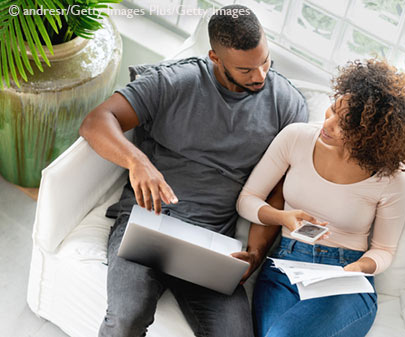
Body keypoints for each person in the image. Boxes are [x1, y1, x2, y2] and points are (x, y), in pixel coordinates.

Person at [79, 4, 308, 337]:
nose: (259, 75)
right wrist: (137, 162)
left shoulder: (287, 105)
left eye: (265, 61)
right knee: (127, 318)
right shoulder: (174, 81)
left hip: (213, 244)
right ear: (215, 58)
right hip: (149, 224)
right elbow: (96, 122)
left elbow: (277, 191)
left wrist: (256, 253)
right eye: (245, 70)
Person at [236, 59, 405, 337]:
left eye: (344, 125)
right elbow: (248, 199)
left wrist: (358, 267)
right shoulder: (296, 138)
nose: (328, 124)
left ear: (369, 135)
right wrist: (282, 217)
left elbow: (384, 250)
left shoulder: (392, 180)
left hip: (344, 278)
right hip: (285, 268)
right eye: (334, 109)